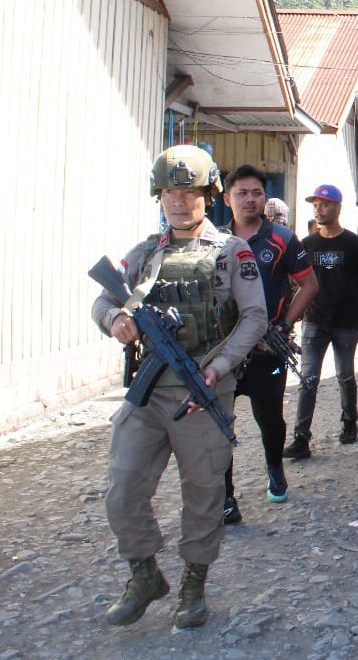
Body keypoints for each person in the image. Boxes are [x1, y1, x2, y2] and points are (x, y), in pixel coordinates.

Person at [91, 145, 267, 629]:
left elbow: (255, 317)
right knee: (123, 487)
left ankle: (194, 582)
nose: (178, 201)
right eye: (169, 192)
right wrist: (115, 320)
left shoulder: (232, 253)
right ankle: (144, 573)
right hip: (148, 394)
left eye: (189, 192)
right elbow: (102, 301)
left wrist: (221, 366)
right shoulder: (144, 253)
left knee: (204, 494)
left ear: (208, 196)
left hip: (203, 392)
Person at [220, 166, 316, 524]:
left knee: (271, 420)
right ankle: (225, 496)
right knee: (219, 424)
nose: (249, 199)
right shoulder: (213, 240)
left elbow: (309, 285)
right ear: (227, 198)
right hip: (223, 352)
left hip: (267, 350)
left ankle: (275, 469)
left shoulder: (282, 238)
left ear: (265, 198)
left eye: (256, 193)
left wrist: (284, 324)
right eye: (242, 193)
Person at [284, 184, 358, 459]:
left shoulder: (355, 244)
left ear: (337, 207)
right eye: (315, 205)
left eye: (324, 204)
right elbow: (298, 281)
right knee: (308, 378)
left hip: (346, 320)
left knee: (345, 375)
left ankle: (349, 421)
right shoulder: (307, 244)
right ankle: (301, 438)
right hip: (315, 320)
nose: (319, 210)